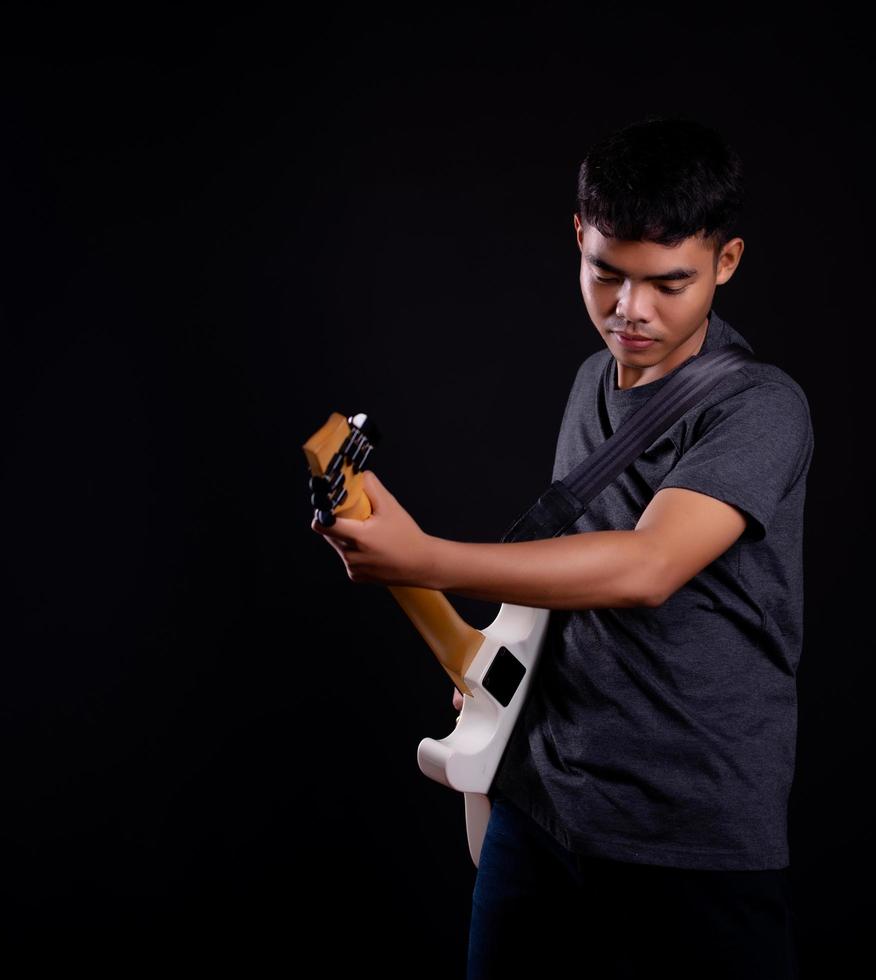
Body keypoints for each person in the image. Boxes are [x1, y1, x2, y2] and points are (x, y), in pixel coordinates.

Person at [311, 115, 813, 978]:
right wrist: (492, 677)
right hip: (537, 809)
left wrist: (422, 557)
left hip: (689, 839)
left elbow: (646, 567)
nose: (630, 312)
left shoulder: (760, 408)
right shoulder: (591, 380)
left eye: (668, 283)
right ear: (578, 235)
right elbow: (566, 586)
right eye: (606, 274)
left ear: (726, 262)